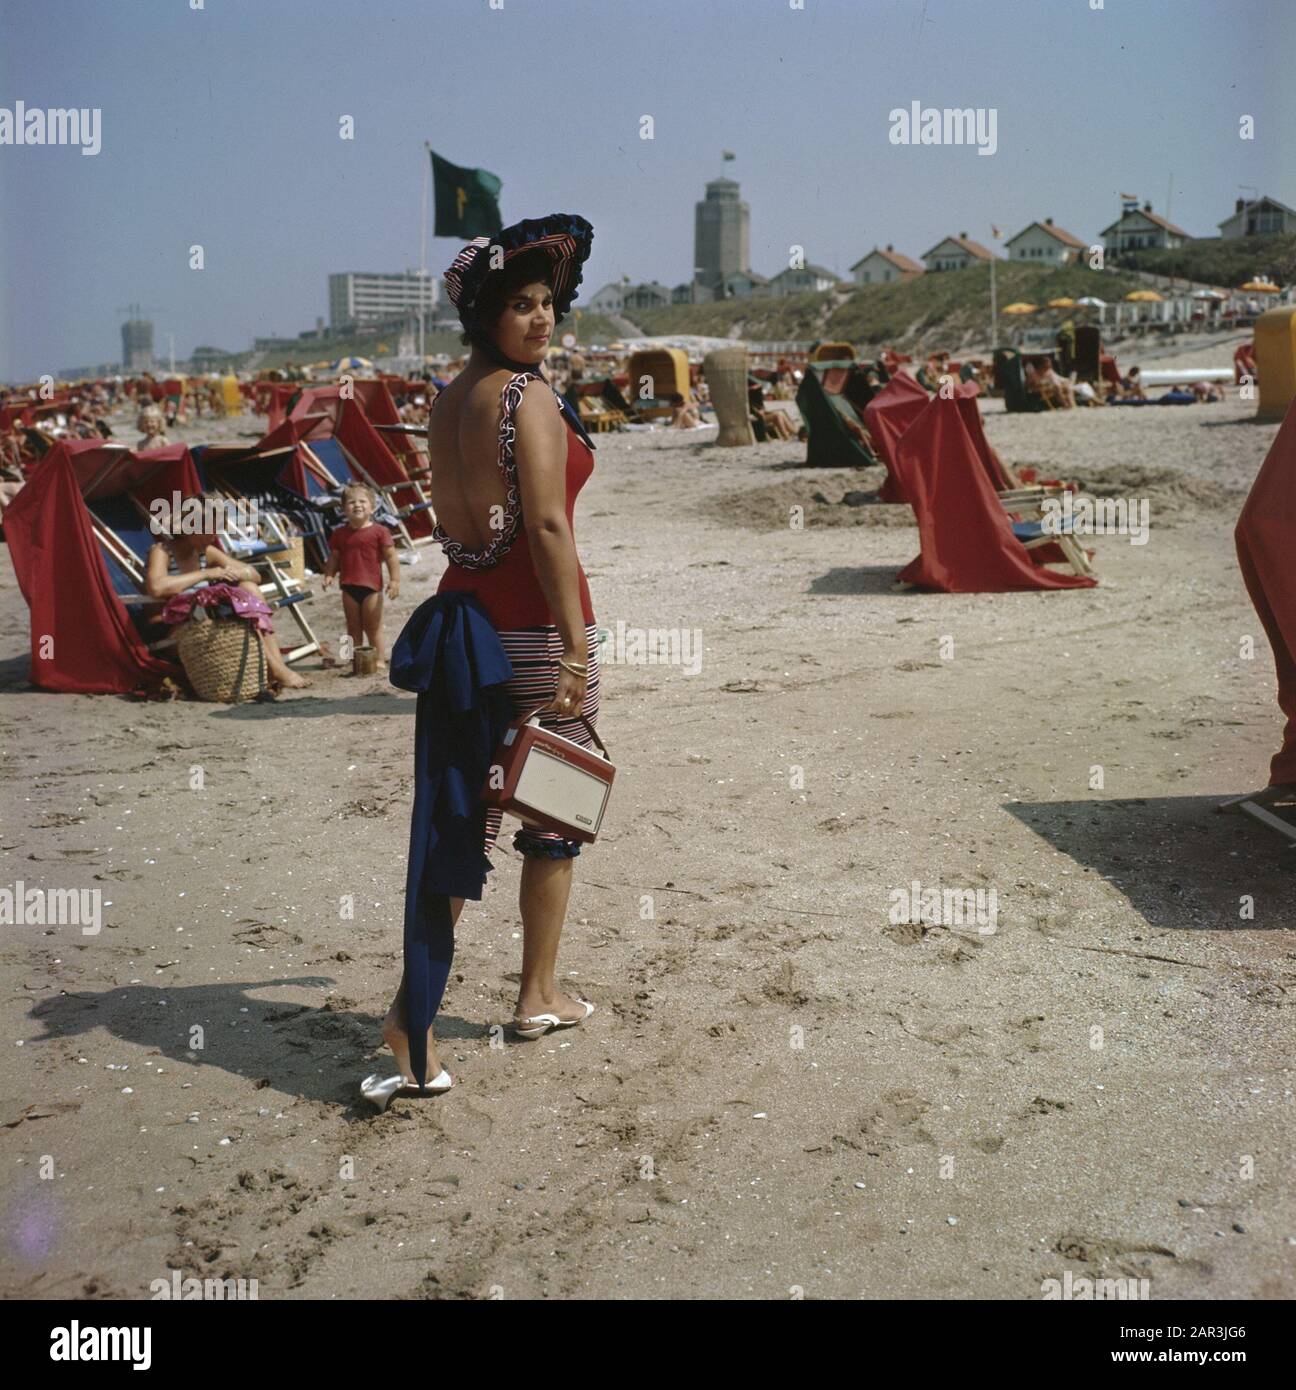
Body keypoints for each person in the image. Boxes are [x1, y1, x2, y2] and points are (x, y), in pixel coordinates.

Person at [370, 213, 601, 1099]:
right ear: (486, 315)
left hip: (462, 620)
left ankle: (416, 1012)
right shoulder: (525, 396)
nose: (541, 319)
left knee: (466, 817)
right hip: (535, 632)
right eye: (520, 304)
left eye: (548, 303)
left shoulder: (447, 398)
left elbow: (460, 527)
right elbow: (544, 525)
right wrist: (577, 646)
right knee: (556, 801)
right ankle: (535, 994)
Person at [143, 527, 311, 689]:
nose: (214, 537)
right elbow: (157, 587)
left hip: (204, 619)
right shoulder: (162, 551)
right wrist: (205, 574)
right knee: (237, 603)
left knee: (249, 588)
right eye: (210, 530)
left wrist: (235, 573)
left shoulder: (205, 551)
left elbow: (254, 574)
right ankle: (275, 668)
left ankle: (277, 667)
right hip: (172, 624)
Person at [321, 483, 400, 669]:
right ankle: (349, 658)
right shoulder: (339, 534)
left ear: (372, 508)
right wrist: (328, 575)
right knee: (351, 627)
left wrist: (395, 580)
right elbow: (334, 557)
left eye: (363, 501)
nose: (357, 505)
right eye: (351, 502)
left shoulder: (380, 531)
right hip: (348, 587)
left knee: (373, 627)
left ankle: (379, 659)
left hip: (372, 587)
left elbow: (391, 557)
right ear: (343, 509)